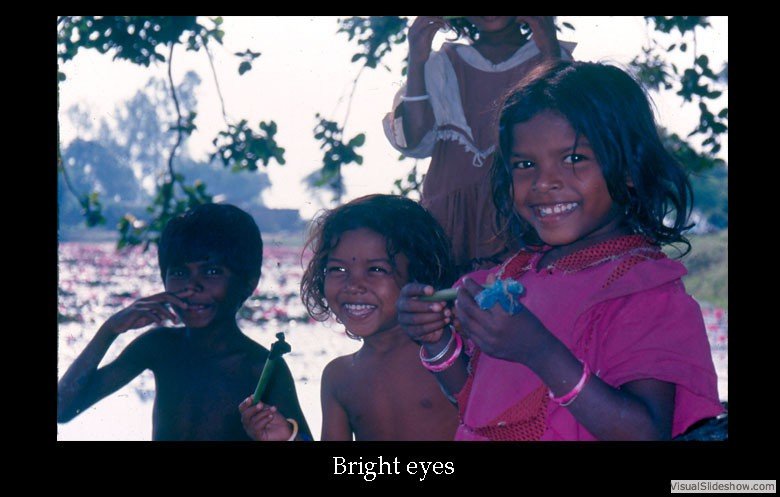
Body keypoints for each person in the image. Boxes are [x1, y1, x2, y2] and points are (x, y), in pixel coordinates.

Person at [397, 61, 724, 441]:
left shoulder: (643, 290)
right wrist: (435, 339)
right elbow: (477, 404)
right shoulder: (512, 276)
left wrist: (540, 352)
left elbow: (645, 431)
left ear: (631, 170)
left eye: (574, 159)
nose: (544, 182)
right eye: (525, 164)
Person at [57, 203, 311, 441]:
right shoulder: (158, 346)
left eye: (212, 272)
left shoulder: (261, 367)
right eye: (179, 273)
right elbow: (63, 410)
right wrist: (110, 329)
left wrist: (285, 434)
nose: (193, 286)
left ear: (249, 282)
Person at [383, 16, 575, 273]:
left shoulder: (551, 58)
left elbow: (569, 128)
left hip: (521, 218)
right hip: (450, 222)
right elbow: (414, 139)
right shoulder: (443, 64)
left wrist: (549, 47)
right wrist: (417, 60)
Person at [289, 194, 459, 441]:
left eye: (376, 269)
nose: (353, 285)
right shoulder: (338, 377)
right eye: (338, 269)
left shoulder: (452, 360)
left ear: (420, 275)